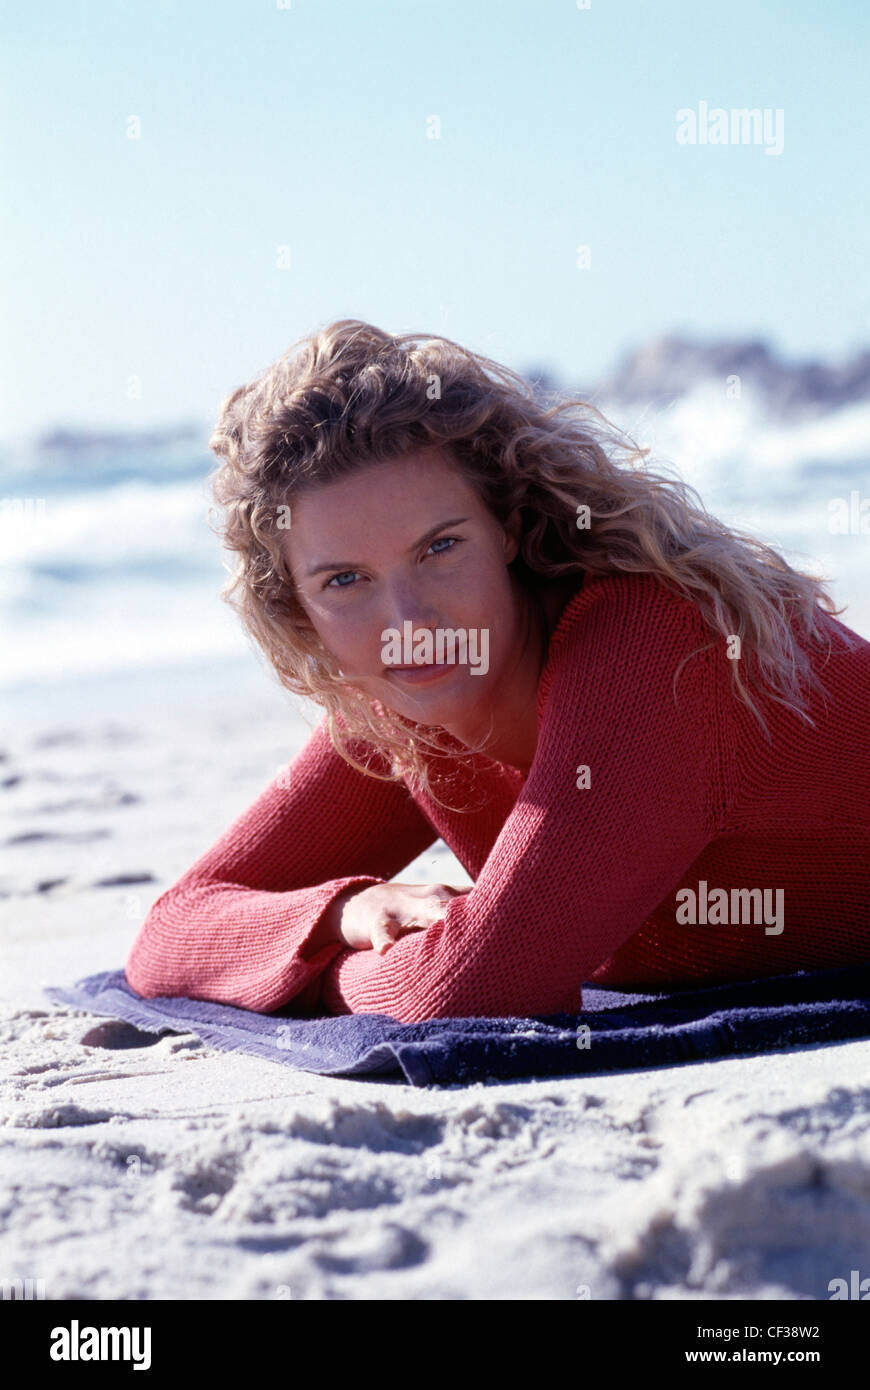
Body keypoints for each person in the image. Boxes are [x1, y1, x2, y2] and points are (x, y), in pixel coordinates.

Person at [124, 320, 870, 1023]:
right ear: (297, 608)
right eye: (345, 582)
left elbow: (472, 987)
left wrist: (308, 976)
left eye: (440, 548)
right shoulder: (400, 706)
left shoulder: (652, 649)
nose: (410, 624)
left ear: (508, 525)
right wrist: (343, 915)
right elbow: (170, 933)